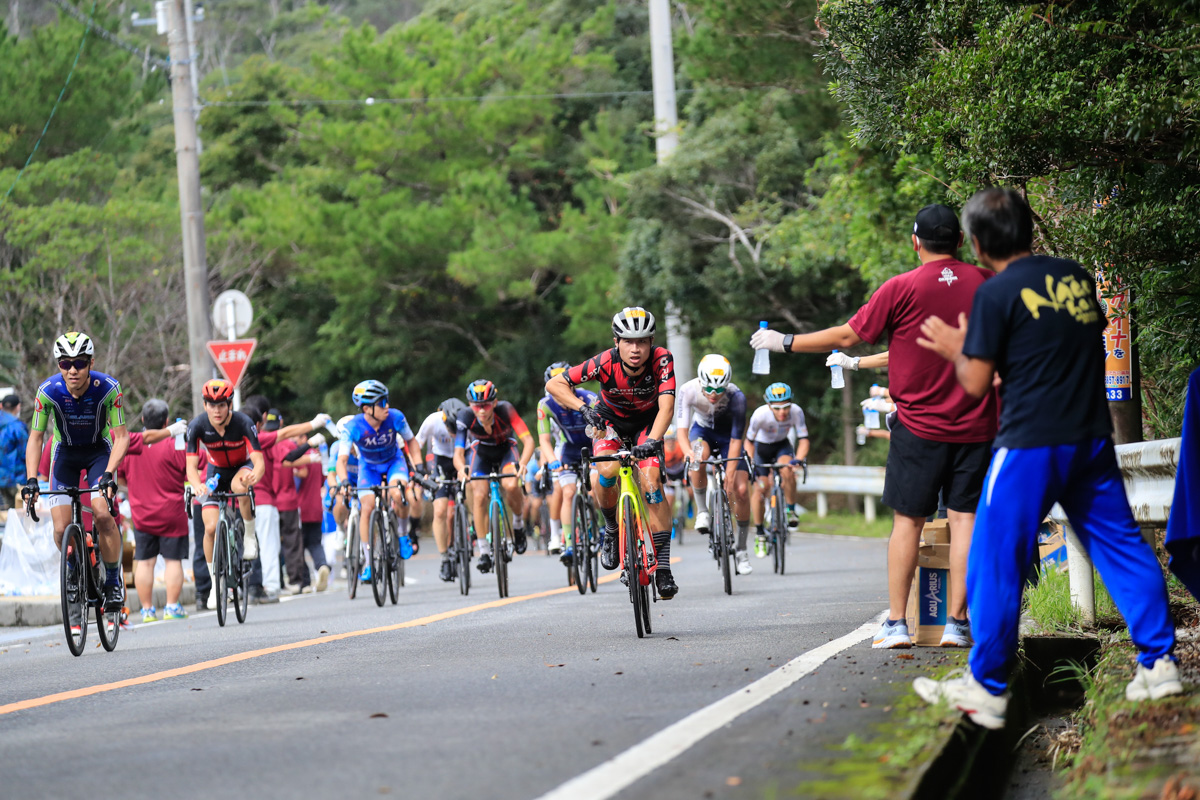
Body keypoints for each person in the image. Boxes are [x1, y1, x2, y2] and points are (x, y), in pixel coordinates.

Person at [912, 187, 1181, 729]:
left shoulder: (995, 294)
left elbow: (974, 383)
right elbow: (1063, 347)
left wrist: (953, 348)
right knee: (1123, 547)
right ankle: (1160, 664)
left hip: (1030, 444)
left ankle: (986, 687)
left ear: (978, 243)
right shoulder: (1077, 278)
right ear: (1030, 229)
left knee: (994, 553)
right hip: (1090, 439)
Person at [751, 204, 998, 649]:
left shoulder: (900, 287)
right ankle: (958, 624)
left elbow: (847, 335)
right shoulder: (986, 282)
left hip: (918, 427)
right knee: (966, 521)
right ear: (961, 242)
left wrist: (784, 341)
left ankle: (898, 624)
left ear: (915, 241)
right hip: (979, 424)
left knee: (909, 522)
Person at [546, 307, 678, 598]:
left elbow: (667, 407)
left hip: (647, 423)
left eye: (642, 341)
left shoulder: (662, 359)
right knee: (606, 472)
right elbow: (554, 384)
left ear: (651, 342)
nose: (635, 348)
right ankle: (610, 528)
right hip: (609, 423)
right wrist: (582, 409)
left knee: (652, 480)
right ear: (617, 342)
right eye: (628, 341)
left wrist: (652, 442)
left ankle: (664, 568)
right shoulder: (604, 361)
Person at [22, 332, 130, 620]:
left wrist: (108, 473)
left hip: (99, 453)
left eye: (80, 363)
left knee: (102, 513)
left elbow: (121, 437)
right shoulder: (48, 391)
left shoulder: (108, 388)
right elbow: (36, 438)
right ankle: (74, 567)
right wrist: (32, 479)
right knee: (60, 529)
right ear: (58, 364)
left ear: (91, 363)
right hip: (65, 455)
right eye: (65, 363)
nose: (72, 370)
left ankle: (111, 580)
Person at [186, 379, 267, 604]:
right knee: (210, 527)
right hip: (216, 472)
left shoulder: (244, 422)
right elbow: (191, 468)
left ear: (229, 404)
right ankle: (215, 584)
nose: (217, 410)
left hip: (242, 467)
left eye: (222, 404)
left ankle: (249, 535)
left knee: (239, 485)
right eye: (212, 405)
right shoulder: (197, 426)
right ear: (205, 406)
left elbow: (259, 462)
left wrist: (255, 476)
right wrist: (197, 485)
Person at [336, 380, 423, 584]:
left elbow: (411, 441)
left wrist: (419, 467)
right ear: (367, 408)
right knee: (366, 508)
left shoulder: (395, 417)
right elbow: (341, 460)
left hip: (394, 462)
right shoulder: (353, 427)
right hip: (369, 467)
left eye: (387, 401)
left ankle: (402, 535)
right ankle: (368, 563)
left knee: (397, 493)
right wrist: (343, 482)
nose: (387, 406)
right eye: (381, 402)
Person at [676, 354, 754, 574]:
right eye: (708, 389)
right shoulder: (688, 390)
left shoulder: (736, 396)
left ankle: (741, 549)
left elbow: (738, 439)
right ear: (701, 381)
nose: (713, 394)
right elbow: (681, 432)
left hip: (729, 438)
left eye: (719, 390)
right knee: (698, 457)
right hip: (702, 433)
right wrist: (689, 452)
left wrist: (730, 474)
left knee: (740, 490)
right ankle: (702, 511)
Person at [452, 380, 534, 574]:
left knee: (511, 485)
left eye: (486, 405)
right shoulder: (464, 416)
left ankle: (518, 524)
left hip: (506, 449)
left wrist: (522, 463)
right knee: (479, 494)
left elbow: (528, 440)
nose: (481, 410)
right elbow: (458, 453)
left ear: (494, 403)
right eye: (476, 406)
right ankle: (484, 551)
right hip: (481, 453)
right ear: (470, 405)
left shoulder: (506, 410)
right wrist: (460, 468)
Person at [118, 399, 189, 622]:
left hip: (141, 512)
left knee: (145, 560)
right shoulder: (176, 445)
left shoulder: (130, 445)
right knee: (173, 560)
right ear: (167, 422)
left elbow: (119, 475)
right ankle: (171, 607)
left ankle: (147, 610)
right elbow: (189, 471)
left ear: (142, 420)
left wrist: (134, 487)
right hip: (172, 511)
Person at [537, 361, 599, 563]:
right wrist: (553, 461)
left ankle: (600, 526)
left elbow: (602, 431)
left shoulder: (588, 398)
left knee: (595, 488)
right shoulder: (545, 405)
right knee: (568, 492)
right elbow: (544, 440)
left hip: (593, 445)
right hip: (568, 449)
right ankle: (569, 543)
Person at [745, 382, 810, 555]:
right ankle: (759, 534)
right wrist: (752, 463)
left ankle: (790, 511)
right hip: (762, 448)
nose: (782, 412)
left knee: (788, 470)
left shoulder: (796, 412)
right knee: (760, 489)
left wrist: (798, 459)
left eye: (786, 407)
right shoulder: (760, 415)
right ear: (769, 405)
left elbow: (804, 439)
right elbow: (749, 442)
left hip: (782, 445)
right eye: (777, 408)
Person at [416, 399, 466, 582]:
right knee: (440, 511)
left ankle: (476, 531)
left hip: (464, 457)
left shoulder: (468, 418)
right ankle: (445, 557)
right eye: (451, 429)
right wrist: (419, 471)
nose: (453, 434)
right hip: (442, 460)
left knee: (477, 492)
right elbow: (416, 444)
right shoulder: (432, 421)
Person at [0, 393, 28, 510]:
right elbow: (26, 452)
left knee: (6, 514)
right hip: (16, 478)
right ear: (18, 407)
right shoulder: (18, 427)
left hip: (2, 478)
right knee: (18, 514)